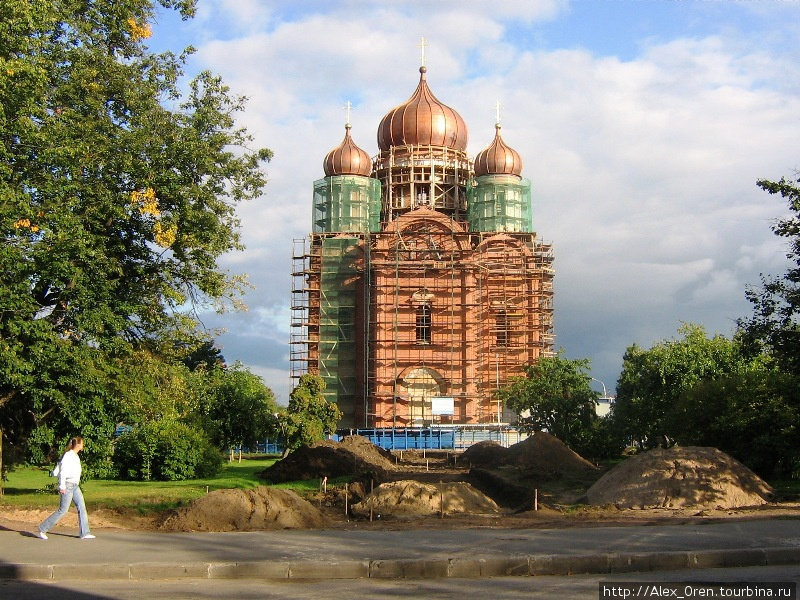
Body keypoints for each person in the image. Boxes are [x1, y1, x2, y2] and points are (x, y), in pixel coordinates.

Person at [37, 436, 95, 540]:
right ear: (77, 445)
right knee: (63, 510)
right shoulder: (68, 455)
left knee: (82, 507)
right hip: (67, 485)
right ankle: (42, 529)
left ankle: (85, 533)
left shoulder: (75, 456)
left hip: (75, 486)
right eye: (82, 443)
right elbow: (63, 472)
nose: (83, 445)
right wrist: (62, 486)